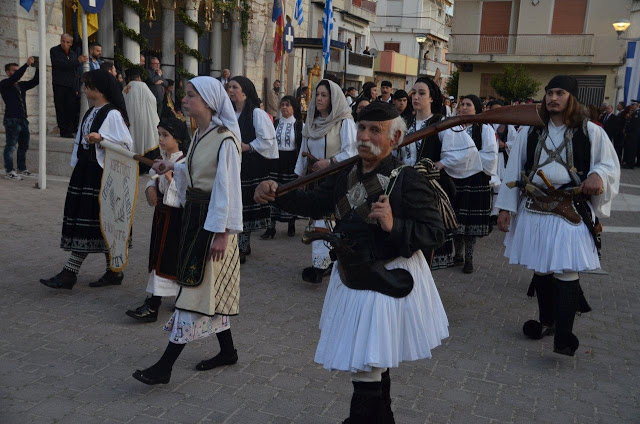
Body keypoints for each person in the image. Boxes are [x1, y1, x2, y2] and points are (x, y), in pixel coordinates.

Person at [254, 102, 449, 422]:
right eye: (362, 127)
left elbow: (435, 233)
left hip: (385, 279)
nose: (365, 135)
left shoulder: (408, 179)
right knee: (374, 364)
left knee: (367, 368)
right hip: (352, 275)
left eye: (376, 130)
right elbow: (315, 202)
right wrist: (279, 192)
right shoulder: (347, 172)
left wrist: (393, 225)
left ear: (396, 137)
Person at [496, 75, 620, 356]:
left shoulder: (591, 131)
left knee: (565, 269)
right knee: (541, 266)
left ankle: (564, 334)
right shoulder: (531, 131)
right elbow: (513, 170)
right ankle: (546, 321)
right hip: (534, 208)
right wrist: (505, 208)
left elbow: (608, 164)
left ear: (571, 98)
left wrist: (598, 175)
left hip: (570, 209)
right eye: (549, 92)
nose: (553, 98)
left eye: (559, 93)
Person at [132, 76, 243, 385]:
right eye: (185, 94)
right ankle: (228, 352)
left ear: (208, 102)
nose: (184, 99)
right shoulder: (201, 134)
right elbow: (195, 170)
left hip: (213, 224)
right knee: (205, 287)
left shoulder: (226, 139)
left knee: (193, 292)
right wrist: (172, 167)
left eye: (191, 95)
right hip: (196, 218)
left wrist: (222, 233)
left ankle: (164, 366)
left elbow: (227, 188)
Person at [40, 69, 133, 290]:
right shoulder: (91, 111)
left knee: (96, 220)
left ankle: (69, 273)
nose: (84, 89)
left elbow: (127, 145)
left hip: (100, 175)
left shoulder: (112, 114)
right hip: (85, 171)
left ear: (98, 90)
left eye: (87, 85)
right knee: (95, 222)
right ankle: (114, 271)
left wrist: (102, 138)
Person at [396, 77, 471, 270]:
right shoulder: (404, 122)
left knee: (424, 236)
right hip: (403, 186)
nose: (416, 97)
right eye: (414, 93)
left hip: (427, 189)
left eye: (422, 93)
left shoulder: (441, 124)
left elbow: (466, 151)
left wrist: (438, 165)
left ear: (431, 98)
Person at [126, 116, 190, 322]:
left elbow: (185, 195)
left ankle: (153, 305)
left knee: (169, 257)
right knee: (159, 256)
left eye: (166, 135)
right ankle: (179, 298)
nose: (161, 139)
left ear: (178, 138)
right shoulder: (161, 158)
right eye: (160, 134)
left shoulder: (184, 162)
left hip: (176, 219)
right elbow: (152, 177)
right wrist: (151, 188)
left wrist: (171, 179)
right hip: (161, 217)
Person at [295, 80, 358, 283]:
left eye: (324, 95)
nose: (319, 98)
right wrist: (299, 178)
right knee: (318, 219)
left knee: (333, 221)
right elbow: (303, 152)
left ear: (333, 98)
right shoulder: (311, 122)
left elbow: (352, 151)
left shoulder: (344, 121)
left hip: (337, 178)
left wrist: (330, 162)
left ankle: (331, 261)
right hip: (315, 180)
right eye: (318, 94)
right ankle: (320, 264)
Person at [228, 76, 278, 263]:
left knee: (246, 207)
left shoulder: (256, 113)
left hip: (251, 166)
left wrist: (247, 146)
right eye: (229, 87)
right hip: (234, 165)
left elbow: (268, 140)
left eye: (235, 87)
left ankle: (242, 246)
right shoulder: (230, 113)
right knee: (236, 205)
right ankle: (240, 244)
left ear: (245, 91)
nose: (231, 90)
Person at [450, 95, 498, 273]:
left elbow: (490, 155)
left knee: (470, 222)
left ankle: (469, 257)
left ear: (477, 109)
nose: (463, 107)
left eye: (468, 105)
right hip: (456, 178)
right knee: (457, 220)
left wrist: (465, 158)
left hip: (476, 179)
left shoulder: (484, 129)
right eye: (462, 104)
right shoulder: (453, 128)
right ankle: (457, 254)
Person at [262, 96, 304, 239]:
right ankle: (270, 227)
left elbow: (301, 146)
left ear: (293, 108)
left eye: (288, 105)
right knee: (272, 192)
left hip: (291, 162)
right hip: (276, 162)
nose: (284, 107)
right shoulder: (275, 123)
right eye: (283, 105)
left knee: (290, 192)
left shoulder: (299, 125)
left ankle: (291, 224)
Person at [1, 57, 39, 180]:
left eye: (17, 70)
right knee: (11, 146)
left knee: (24, 145)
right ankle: (9, 171)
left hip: (23, 119)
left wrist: (38, 67)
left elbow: (35, 81)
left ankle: (21, 169)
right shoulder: (4, 84)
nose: (16, 72)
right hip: (11, 119)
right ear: (7, 72)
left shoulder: (21, 85)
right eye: (13, 70)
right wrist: (26, 65)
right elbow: (14, 77)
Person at [50, 33, 87, 138]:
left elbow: (74, 72)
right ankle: (64, 131)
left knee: (71, 108)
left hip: (71, 85)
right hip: (59, 84)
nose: (64, 44)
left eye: (67, 42)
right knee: (61, 108)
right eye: (63, 41)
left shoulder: (73, 54)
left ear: (71, 44)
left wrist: (76, 87)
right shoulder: (54, 51)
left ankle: (71, 129)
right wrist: (77, 61)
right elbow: (61, 64)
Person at [123, 68, 160, 169]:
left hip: (131, 121)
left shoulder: (125, 89)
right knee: (147, 139)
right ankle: (146, 166)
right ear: (138, 77)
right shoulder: (142, 85)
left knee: (135, 141)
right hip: (145, 120)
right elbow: (152, 100)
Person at [486, 100, 508, 218]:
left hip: (500, 158)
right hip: (488, 157)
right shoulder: (485, 124)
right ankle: (487, 210)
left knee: (498, 185)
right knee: (488, 184)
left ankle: (495, 212)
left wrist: (505, 144)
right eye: (494, 109)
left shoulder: (507, 124)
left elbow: (515, 140)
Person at [622, 102, 640, 168]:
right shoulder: (634, 112)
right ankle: (628, 162)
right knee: (629, 148)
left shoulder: (637, 113)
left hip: (633, 134)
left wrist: (627, 131)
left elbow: (634, 125)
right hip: (631, 134)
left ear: (637, 105)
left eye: (633, 105)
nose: (632, 106)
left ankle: (630, 164)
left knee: (632, 149)